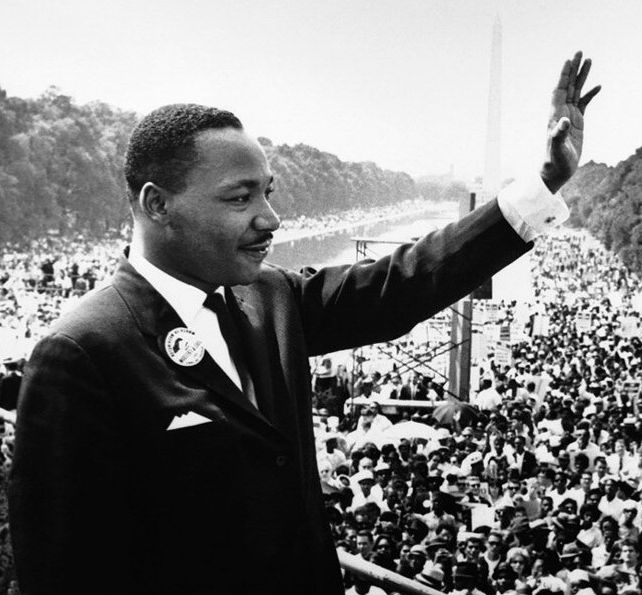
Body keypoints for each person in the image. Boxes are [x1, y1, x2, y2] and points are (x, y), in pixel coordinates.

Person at [8, 52, 600, 595]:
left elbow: (408, 281)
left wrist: (542, 184)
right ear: (158, 204)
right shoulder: (81, 351)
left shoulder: (271, 295)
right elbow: (62, 571)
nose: (272, 218)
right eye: (241, 198)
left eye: (268, 192)